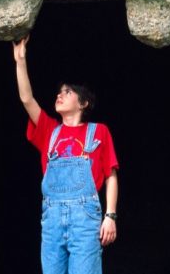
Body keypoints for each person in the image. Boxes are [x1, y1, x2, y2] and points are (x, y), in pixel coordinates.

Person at [13, 36, 119, 274]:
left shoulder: (99, 132)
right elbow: (26, 99)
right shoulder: (49, 131)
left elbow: (111, 174)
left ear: (83, 103)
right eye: (59, 92)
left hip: (85, 220)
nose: (59, 95)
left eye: (68, 92)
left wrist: (110, 215)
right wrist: (20, 60)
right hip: (51, 221)